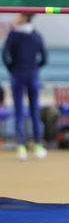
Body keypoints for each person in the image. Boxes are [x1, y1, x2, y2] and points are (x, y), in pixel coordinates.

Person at [1, 13, 48, 161]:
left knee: (23, 111)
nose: (15, 17)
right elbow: (44, 58)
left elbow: (4, 54)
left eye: (18, 15)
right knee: (30, 111)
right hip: (29, 76)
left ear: (24, 17)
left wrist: (13, 69)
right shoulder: (33, 35)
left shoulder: (15, 35)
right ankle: (33, 145)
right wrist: (34, 69)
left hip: (20, 76)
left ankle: (24, 146)